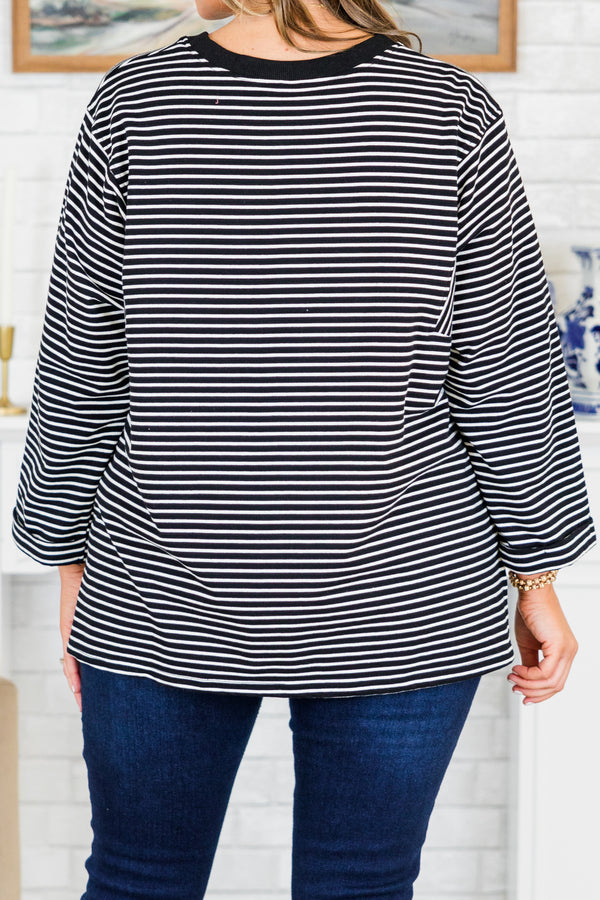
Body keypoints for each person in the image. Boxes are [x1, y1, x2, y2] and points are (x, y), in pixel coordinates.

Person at [12, 0, 597, 897]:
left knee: (138, 879)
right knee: (363, 884)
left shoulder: (136, 101)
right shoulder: (451, 108)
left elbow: (83, 357)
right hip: (405, 589)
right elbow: (505, 369)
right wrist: (537, 577)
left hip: (161, 582)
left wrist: (65, 556)